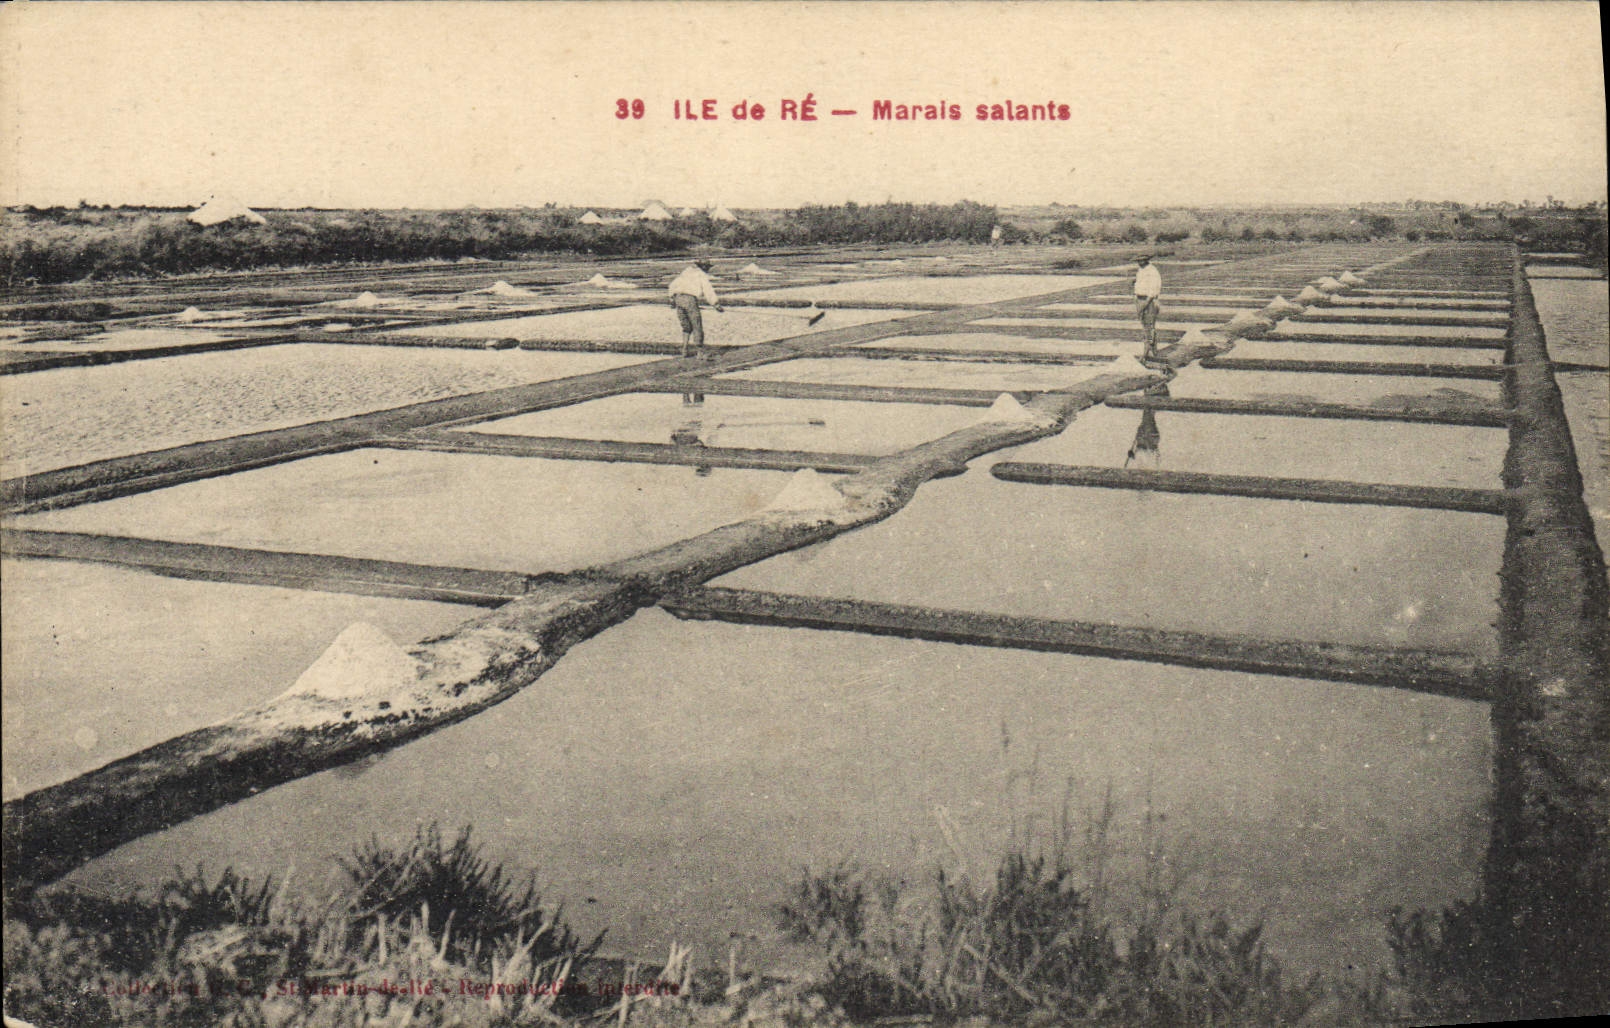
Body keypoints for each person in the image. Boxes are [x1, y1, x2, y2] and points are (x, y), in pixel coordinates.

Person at [667, 259, 724, 358]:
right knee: (696, 324)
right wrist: (715, 304)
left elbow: (672, 285)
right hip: (689, 299)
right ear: (704, 267)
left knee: (686, 326)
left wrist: (672, 299)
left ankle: (684, 350)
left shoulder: (686, 272)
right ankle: (700, 352)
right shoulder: (701, 275)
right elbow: (708, 291)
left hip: (678, 298)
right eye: (708, 267)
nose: (708, 269)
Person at [1133, 255, 1162, 361]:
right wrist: (1135, 297)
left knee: (1149, 327)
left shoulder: (1152, 271)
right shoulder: (1140, 270)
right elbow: (1138, 284)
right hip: (1140, 299)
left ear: (1146, 260)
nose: (1139, 262)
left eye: (1141, 260)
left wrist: (1145, 303)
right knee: (1145, 327)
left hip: (1149, 301)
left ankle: (1147, 353)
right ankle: (1151, 352)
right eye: (1138, 260)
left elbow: (1154, 288)